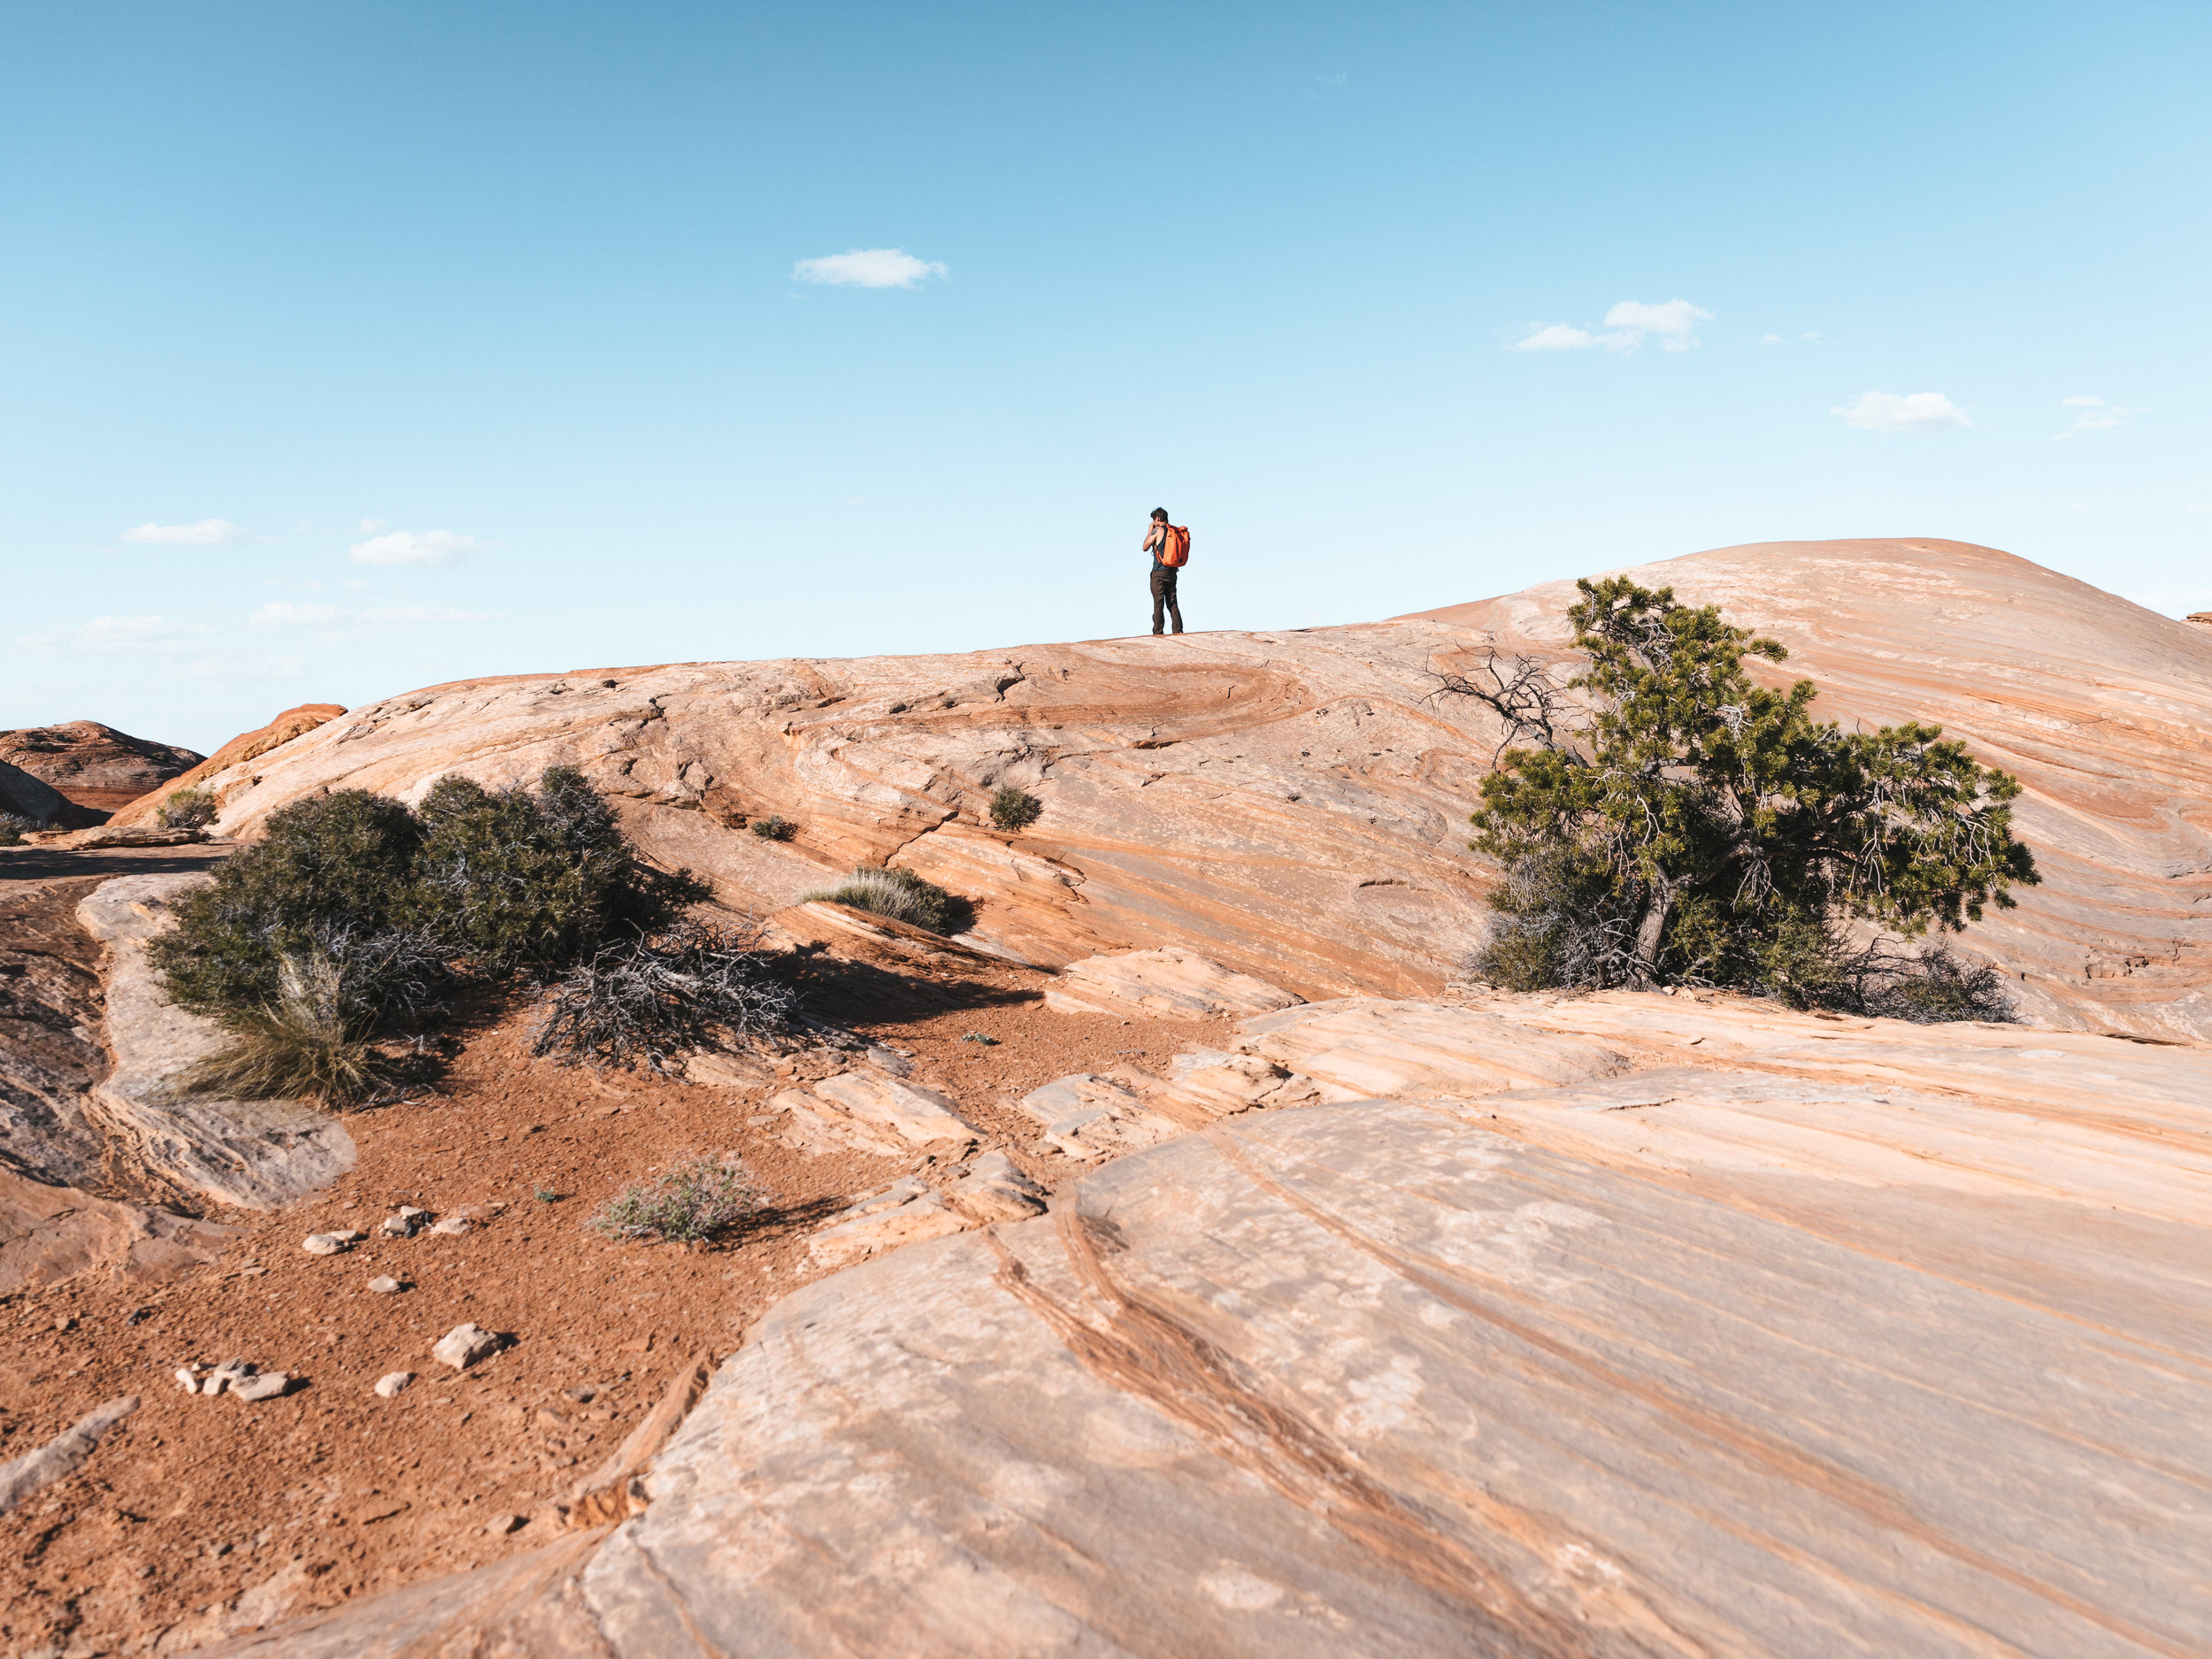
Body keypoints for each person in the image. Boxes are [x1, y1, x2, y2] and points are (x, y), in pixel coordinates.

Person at [1142, 507, 1185, 635]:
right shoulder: (1174, 531)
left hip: (1158, 573)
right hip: (1172, 572)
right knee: (1172, 603)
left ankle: (1158, 632)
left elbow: (1145, 547)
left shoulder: (1157, 530)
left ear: (1157, 519)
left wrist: (1150, 530)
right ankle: (1178, 631)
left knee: (1158, 604)